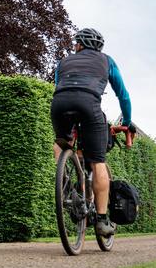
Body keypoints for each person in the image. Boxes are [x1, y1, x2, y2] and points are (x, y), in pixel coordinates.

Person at [51, 28, 135, 237]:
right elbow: (123, 95)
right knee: (98, 162)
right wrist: (126, 122)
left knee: (61, 144)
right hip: (89, 104)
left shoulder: (63, 62)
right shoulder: (107, 61)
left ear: (79, 45)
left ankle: (67, 188)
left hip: (60, 104)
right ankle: (102, 219)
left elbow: (58, 85)